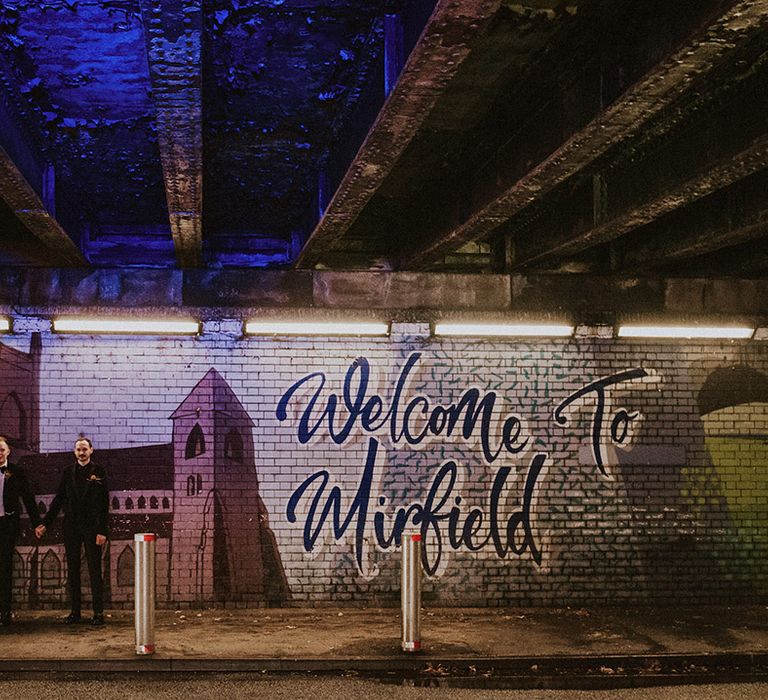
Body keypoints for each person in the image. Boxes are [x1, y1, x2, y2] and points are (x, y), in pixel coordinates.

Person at [36, 436, 109, 626]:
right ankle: (75, 612)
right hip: (72, 527)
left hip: (93, 528)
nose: (82, 452)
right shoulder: (68, 472)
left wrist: (103, 531)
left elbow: (104, 504)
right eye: (78, 449)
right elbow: (59, 499)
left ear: (91, 450)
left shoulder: (99, 471)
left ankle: (98, 613)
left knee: (94, 570)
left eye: (85, 449)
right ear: (74, 452)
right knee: (73, 570)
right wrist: (45, 524)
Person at [0, 436, 42, 626]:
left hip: (7, 525)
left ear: (8, 452)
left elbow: (28, 499)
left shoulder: (16, 472)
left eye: (2, 449)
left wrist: (37, 524)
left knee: (5, 568)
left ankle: (4, 611)